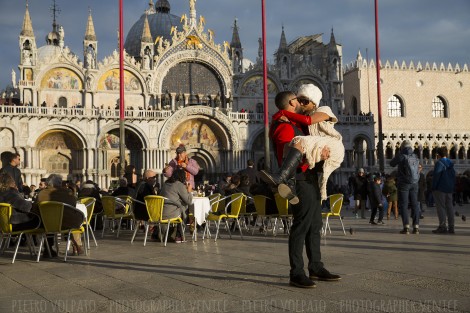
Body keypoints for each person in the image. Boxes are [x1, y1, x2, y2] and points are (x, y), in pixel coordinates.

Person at [265, 90, 341, 288]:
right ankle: (296, 272)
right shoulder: (283, 126)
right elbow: (286, 154)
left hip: (310, 177)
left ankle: (316, 266)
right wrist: (316, 156)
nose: (300, 102)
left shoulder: (294, 123)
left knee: (315, 224)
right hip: (300, 179)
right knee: (302, 225)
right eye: (297, 100)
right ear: (291, 102)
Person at [260, 84, 344, 203]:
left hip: (333, 144)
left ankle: (281, 177)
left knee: (300, 141)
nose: (302, 104)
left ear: (314, 102)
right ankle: (290, 185)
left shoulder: (324, 110)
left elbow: (308, 121)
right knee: (295, 144)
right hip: (319, 146)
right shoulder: (300, 117)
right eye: (300, 100)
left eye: (305, 101)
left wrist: (282, 113)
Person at [35, 174, 85, 256]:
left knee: (49, 220)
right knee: (68, 218)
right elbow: (73, 205)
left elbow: (35, 208)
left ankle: (48, 248)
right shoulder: (68, 192)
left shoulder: (41, 193)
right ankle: (77, 245)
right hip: (67, 224)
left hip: (47, 224)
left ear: (48, 184)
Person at [390, 140, 420, 234]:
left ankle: (406, 227)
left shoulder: (402, 156)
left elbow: (392, 163)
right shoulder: (415, 156)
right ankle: (416, 227)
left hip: (404, 184)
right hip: (415, 183)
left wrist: (399, 153)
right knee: (415, 204)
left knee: (404, 205)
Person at [159, 168, 193, 243]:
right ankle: (179, 235)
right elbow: (189, 201)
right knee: (185, 207)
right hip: (171, 213)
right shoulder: (179, 185)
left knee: (182, 206)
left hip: (161, 212)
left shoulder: (166, 183)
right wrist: (189, 191)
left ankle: (177, 234)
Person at [431, 147, 456, 234]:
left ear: (438, 155)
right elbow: (453, 177)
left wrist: (433, 187)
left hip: (440, 189)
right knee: (450, 208)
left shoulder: (439, 163)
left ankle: (442, 226)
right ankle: (451, 227)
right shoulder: (450, 163)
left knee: (441, 207)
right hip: (449, 189)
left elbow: (436, 177)